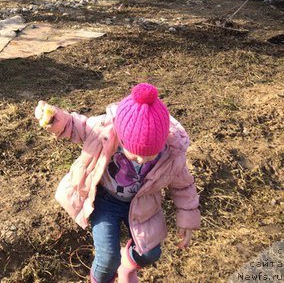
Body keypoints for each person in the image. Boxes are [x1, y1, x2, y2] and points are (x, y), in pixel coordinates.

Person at [35, 83, 200, 283]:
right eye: (136, 155)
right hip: (105, 201)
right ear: (121, 138)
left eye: (150, 156)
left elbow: (183, 185)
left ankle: (127, 269)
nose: (142, 161)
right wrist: (56, 120)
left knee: (150, 253)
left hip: (142, 204)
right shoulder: (106, 130)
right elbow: (75, 126)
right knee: (107, 259)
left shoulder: (171, 153)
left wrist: (187, 218)